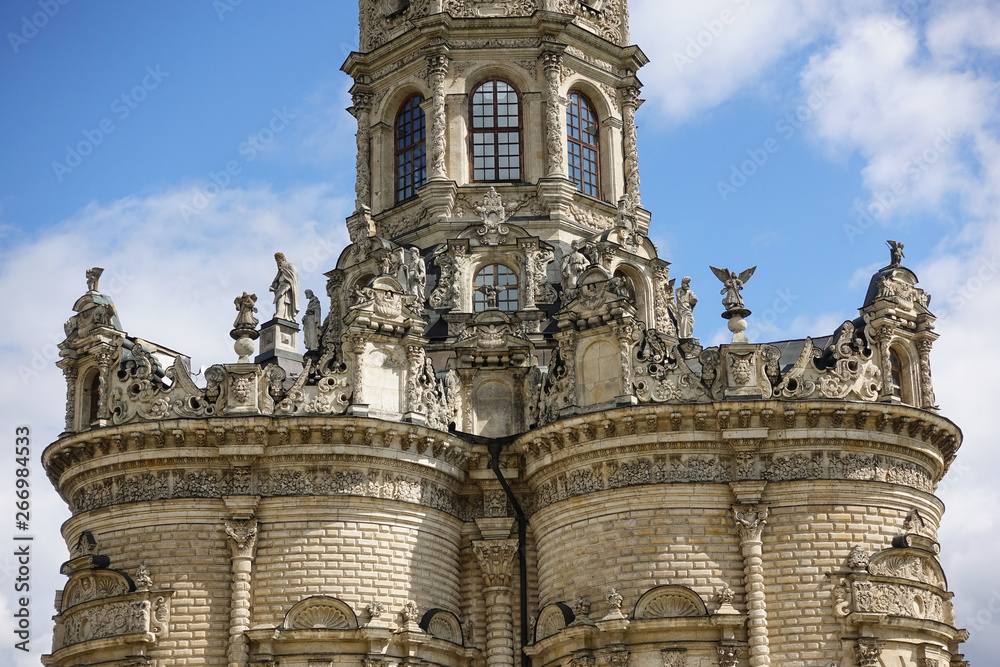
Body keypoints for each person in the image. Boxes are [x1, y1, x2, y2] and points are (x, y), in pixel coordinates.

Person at [270, 252, 300, 321]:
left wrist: (286, 288)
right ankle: (281, 315)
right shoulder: (280, 270)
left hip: (286, 289)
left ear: (283, 259)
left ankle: (282, 316)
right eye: (276, 260)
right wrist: (274, 286)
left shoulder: (290, 266)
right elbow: (277, 280)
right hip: (280, 288)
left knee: (282, 301)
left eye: (278, 260)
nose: (277, 262)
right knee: (279, 302)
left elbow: (293, 280)